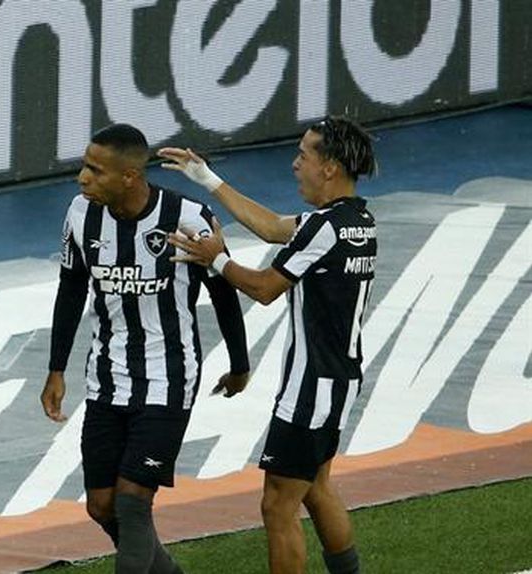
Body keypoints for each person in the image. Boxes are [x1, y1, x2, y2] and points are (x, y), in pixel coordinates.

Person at [159, 115, 376, 574]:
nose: (295, 164)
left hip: (310, 385)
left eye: (304, 154)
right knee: (316, 487)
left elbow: (264, 288)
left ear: (330, 167)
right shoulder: (356, 220)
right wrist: (208, 179)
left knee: (278, 505)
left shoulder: (323, 228)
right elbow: (275, 227)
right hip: (339, 378)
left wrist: (216, 259)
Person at [41, 124, 251, 573]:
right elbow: (71, 288)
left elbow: (223, 292)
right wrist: (56, 369)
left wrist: (240, 364)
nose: (82, 177)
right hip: (106, 377)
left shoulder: (188, 217)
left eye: (95, 170)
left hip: (168, 377)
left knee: (133, 500)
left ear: (130, 176)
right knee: (101, 505)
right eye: (84, 166)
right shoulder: (80, 213)